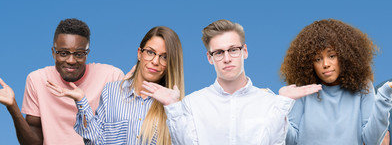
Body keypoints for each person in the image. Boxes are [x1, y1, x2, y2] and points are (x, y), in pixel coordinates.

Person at [142, 19, 322, 145]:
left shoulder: (269, 102)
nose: (227, 58)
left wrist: (283, 102)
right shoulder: (193, 104)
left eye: (233, 50)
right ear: (209, 58)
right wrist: (173, 107)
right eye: (219, 52)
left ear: (244, 51)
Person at [280, 19, 392, 145]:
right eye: (318, 59)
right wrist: (281, 107)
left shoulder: (362, 86)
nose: (325, 64)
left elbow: (371, 141)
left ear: (344, 55)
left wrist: (385, 94)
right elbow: (291, 141)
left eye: (332, 56)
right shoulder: (302, 89)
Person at [47, 26, 185, 145]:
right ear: (139, 53)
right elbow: (95, 141)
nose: (155, 61)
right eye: (150, 52)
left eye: (164, 57)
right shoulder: (111, 92)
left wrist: (173, 108)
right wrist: (81, 100)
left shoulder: (175, 107)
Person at [0, 18, 125, 145]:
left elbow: (120, 134)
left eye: (79, 54)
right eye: (64, 53)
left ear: (87, 54)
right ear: (53, 53)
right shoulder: (37, 80)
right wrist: (12, 107)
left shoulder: (111, 77)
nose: (71, 60)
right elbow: (33, 143)